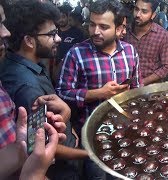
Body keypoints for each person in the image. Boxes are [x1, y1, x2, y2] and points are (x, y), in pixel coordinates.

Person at [0, 1, 88, 179]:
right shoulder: (27, 87)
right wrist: (89, 154)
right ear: (29, 41)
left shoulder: (30, 64)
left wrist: (67, 120)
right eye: (52, 34)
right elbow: (39, 145)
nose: (58, 39)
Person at [56, 0, 141, 179]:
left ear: (119, 29)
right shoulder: (76, 53)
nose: (96, 31)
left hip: (124, 134)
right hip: (93, 138)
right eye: (92, 24)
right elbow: (62, 92)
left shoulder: (130, 52)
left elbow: (137, 89)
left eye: (103, 26)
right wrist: (97, 94)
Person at [124, 0, 168, 85]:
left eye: (144, 11)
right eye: (136, 9)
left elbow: (167, 67)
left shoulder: (162, 35)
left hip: (152, 88)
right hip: (125, 86)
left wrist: (142, 82)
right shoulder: (124, 32)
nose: (138, 14)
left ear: (153, 15)